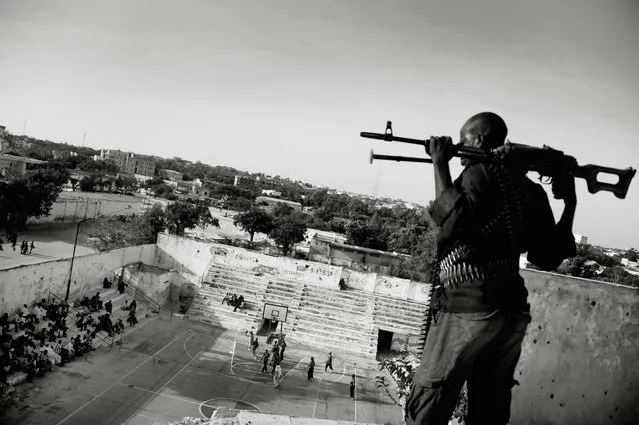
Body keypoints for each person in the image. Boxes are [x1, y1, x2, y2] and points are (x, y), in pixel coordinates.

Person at [404, 112, 577, 425]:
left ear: (479, 140)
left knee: (430, 400)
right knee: (490, 407)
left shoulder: (478, 175)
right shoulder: (529, 191)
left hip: (469, 306)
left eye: (464, 141)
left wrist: (439, 163)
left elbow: (452, 221)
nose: (460, 149)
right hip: (511, 312)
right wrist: (570, 203)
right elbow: (548, 256)